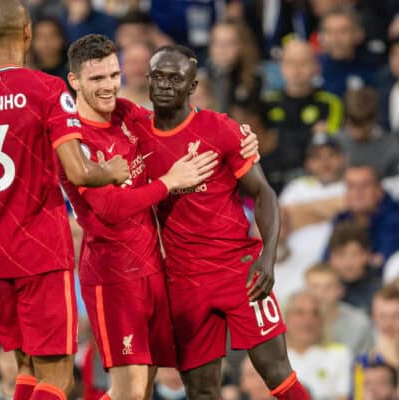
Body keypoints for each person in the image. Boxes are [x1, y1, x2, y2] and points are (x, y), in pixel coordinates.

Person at [0, 4, 129, 400]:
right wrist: (113, 169)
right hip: (42, 250)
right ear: (28, 32)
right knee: (57, 377)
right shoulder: (47, 90)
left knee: (26, 367)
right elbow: (80, 172)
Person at [130, 44, 309, 399]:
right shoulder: (135, 136)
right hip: (182, 282)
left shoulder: (220, 129)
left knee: (278, 375)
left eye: (175, 78)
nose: (165, 85)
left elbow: (264, 194)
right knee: (201, 392)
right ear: (147, 81)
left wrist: (267, 257)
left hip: (239, 271)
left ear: (192, 86)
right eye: (158, 77)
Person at [63, 34, 235, 400]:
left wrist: (235, 132)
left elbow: (180, 121)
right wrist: (169, 183)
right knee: (130, 390)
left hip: (151, 268)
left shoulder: (125, 113)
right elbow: (108, 208)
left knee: (141, 388)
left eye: (114, 75)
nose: (109, 86)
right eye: (97, 79)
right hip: (113, 276)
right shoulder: (72, 141)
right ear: (74, 80)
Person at [263, 39, 343, 175]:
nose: (296, 69)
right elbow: (263, 144)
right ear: (281, 67)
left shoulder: (330, 103)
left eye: (304, 62)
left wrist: (282, 137)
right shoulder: (266, 102)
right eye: (290, 62)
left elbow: (331, 145)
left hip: (314, 179)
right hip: (272, 176)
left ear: (317, 66)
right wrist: (309, 133)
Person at [284, 291, 351, 400]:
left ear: (322, 320)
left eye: (315, 313)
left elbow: (343, 396)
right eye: (299, 313)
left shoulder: (339, 354)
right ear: (286, 318)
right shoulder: (273, 357)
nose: (307, 320)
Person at [333, 164, 399, 268]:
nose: (357, 192)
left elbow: (384, 263)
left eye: (365, 185)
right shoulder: (341, 219)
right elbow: (328, 261)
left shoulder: (395, 217)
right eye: (351, 186)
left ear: (379, 190)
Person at [279, 135, 346, 231]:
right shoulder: (296, 186)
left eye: (331, 155)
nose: (325, 163)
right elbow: (280, 220)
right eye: (318, 157)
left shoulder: (352, 185)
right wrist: (334, 208)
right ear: (308, 163)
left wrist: (298, 213)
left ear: (341, 159)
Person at [304, 264, 373, 355]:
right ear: (304, 290)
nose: (320, 294)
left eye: (328, 287)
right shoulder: (290, 321)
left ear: (340, 290)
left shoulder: (359, 322)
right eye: (314, 287)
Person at [338, 87, 399, 179]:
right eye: (353, 123)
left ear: (374, 119)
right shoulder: (334, 144)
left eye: (362, 124)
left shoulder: (392, 147)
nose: (357, 131)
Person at [204, 19, 262, 113]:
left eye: (229, 43)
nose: (222, 49)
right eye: (216, 43)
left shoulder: (253, 78)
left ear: (241, 46)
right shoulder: (200, 76)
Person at [317, 8, 378, 97]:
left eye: (343, 32)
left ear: (358, 34)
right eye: (329, 32)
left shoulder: (374, 68)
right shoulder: (314, 66)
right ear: (321, 36)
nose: (336, 39)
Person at [328, 221, 382, 312]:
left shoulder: (380, 290)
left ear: (367, 255)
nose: (347, 263)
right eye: (340, 255)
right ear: (331, 257)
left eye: (354, 255)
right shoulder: (317, 287)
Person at [31, 17, 69, 83]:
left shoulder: (74, 72)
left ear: (62, 39)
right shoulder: (26, 71)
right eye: (40, 36)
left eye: (52, 35)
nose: (46, 41)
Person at [119, 41, 153, 109]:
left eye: (144, 62)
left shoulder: (166, 104)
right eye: (133, 62)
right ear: (122, 67)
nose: (138, 68)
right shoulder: (110, 101)